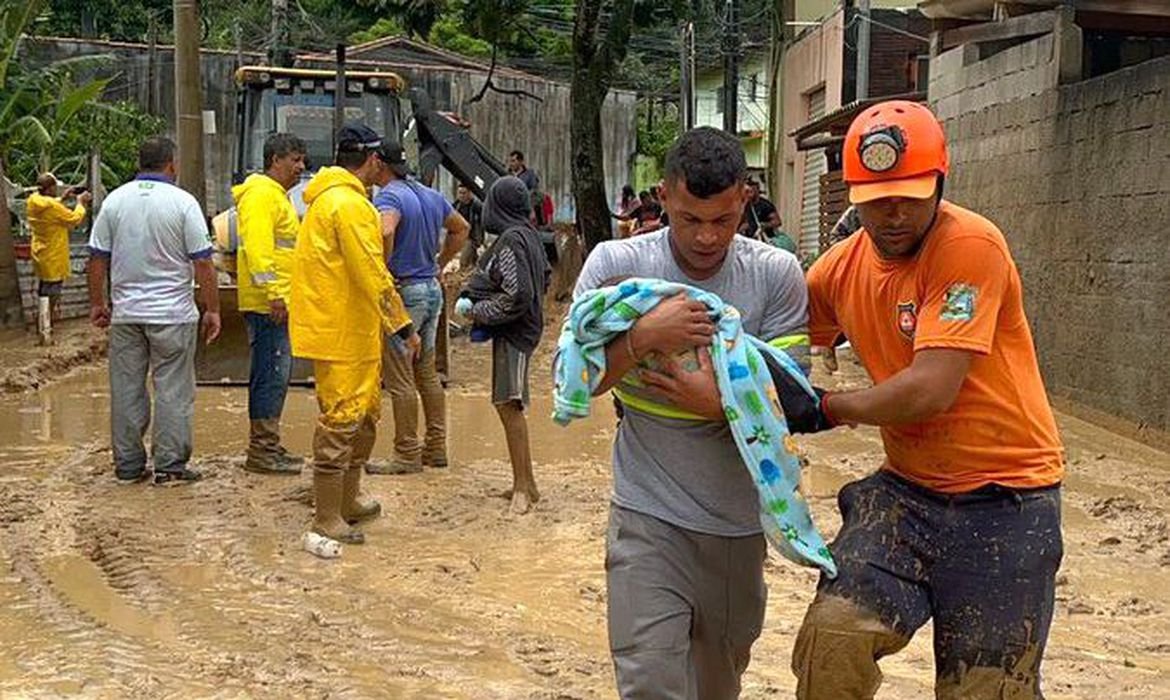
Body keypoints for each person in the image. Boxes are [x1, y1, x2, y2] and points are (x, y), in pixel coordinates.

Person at [794, 100, 1064, 699]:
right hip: (907, 494)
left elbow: (931, 390)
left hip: (1008, 500)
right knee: (831, 639)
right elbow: (771, 343)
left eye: (910, 195)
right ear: (851, 195)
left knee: (989, 689)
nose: (893, 213)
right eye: (876, 198)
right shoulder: (838, 270)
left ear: (940, 183)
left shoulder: (970, 247)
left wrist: (828, 406)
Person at [572, 126, 810, 699]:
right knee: (650, 683)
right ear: (663, 199)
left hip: (737, 526)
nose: (705, 238)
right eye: (688, 219)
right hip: (647, 516)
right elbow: (575, 384)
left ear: (745, 201)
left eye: (721, 221)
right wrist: (640, 338)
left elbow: (796, 403)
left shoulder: (775, 275)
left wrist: (721, 403)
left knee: (717, 684)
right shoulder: (616, 267)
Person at [289, 124, 417, 545]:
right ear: (374, 160)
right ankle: (327, 515)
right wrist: (402, 324)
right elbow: (371, 270)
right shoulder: (350, 206)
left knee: (362, 417)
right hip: (343, 331)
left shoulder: (328, 201)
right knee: (343, 421)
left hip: (345, 328)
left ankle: (348, 499)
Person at [87, 136, 222, 486]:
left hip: (127, 315)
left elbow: (97, 259)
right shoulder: (183, 203)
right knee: (173, 390)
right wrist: (212, 309)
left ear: (139, 162)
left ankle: (129, 466)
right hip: (173, 315)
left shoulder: (114, 202)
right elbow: (204, 263)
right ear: (171, 164)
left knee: (126, 389)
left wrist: (98, 304)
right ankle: (170, 467)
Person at [453, 176, 550, 515]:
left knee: (509, 404)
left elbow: (517, 293)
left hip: (516, 331)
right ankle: (525, 482)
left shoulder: (511, 240)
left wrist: (478, 311)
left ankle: (524, 487)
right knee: (508, 403)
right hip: (525, 327)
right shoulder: (529, 235)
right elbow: (542, 279)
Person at [371, 142, 469, 475]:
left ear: (380, 165)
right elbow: (462, 229)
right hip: (431, 290)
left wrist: (382, 268)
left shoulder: (388, 196)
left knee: (400, 378)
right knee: (426, 372)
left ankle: (406, 454)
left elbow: (386, 228)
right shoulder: (430, 195)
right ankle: (436, 448)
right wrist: (439, 262)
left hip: (405, 292)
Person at [233, 132, 307, 475]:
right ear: (275, 160)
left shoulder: (274, 196)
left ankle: (268, 445)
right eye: (295, 159)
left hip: (275, 300)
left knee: (275, 374)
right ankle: (262, 450)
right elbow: (259, 250)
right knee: (271, 374)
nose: (301, 167)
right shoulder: (262, 195)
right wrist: (274, 293)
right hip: (269, 304)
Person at [27, 173, 91, 332]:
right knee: (53, 289)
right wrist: (80, 203)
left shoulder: (33, 200)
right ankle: (45, 325)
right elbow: (73, 219)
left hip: (40, 251)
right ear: (50, 188)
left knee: (44, 288)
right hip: (53, 253)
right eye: (55, 186)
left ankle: (43, 322)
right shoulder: (53, 207)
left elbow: (48, 207)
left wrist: (62, 198)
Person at [453, 183, 484, 268]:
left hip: (471, 237)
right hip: (460, 236)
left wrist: (480, 240)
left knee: (464, 262)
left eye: (464, 193)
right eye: (460, 193)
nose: (461, 195)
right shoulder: (456, 205)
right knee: (474, 263)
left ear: (470, 193)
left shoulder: (476, 206)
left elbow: (482, 223)